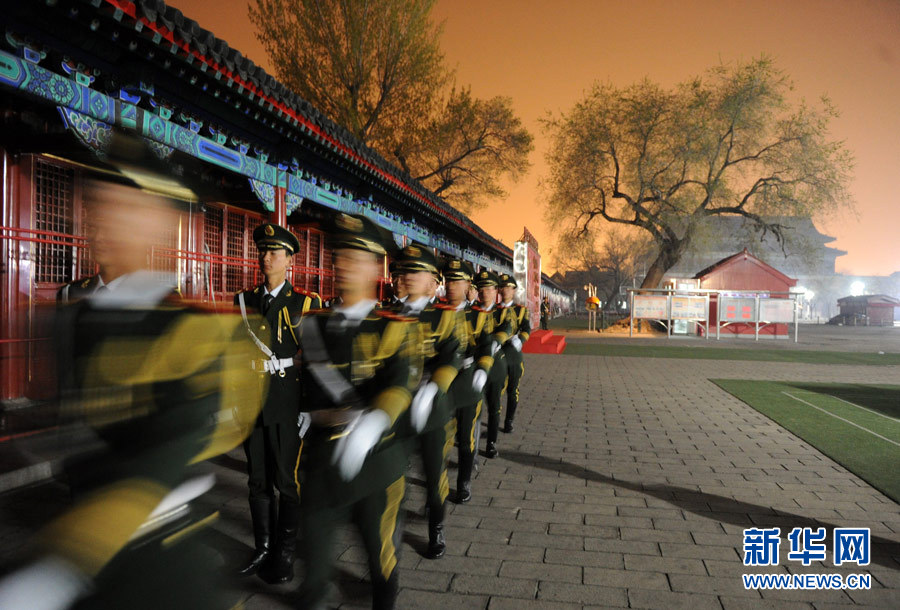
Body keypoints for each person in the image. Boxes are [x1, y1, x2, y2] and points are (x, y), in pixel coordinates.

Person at [0, 178, 264, 610]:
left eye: (122, 213)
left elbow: (172, 448)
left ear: (156, 225)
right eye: (96, 216)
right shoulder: (70, 311)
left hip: (157, 544)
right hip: (82, 528)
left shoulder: (189, 326)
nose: (102, 230)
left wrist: (62, 563)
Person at [296, 213, 417, 609]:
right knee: (311, 565)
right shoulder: (313, 325)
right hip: (319, 462)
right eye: (339, 257)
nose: (344, 265)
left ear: (375, 265)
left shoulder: (394, 327)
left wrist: (371, 425)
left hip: (376, 463)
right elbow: (306, 389)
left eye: (355, 257)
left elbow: (400, 386)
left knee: (381, 556)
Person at [234, 223, 321, 583]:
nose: (265, 257)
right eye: (262, 251)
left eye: (274, 252)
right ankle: (263, 547)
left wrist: (308, 407)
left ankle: (284, 554)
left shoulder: (304, 303)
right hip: (253, 400)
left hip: (287, 400)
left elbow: (315, 359)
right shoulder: (244, 301)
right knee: (257, 479)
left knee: (286, 480)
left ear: (290, 260)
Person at [393, 244, 462, 559]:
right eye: (405, 271)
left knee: (435, 475)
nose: (408, 277)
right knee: (392, 478)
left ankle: (436, 527)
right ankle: (388, 534)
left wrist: (432, 389)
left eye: (416, 272)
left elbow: (452, 357)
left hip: (432, 409)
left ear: (434, 282)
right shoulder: (387, 314)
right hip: (393, 410)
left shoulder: (445, 318)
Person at [442, 258, 493, 503]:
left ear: (467, 285)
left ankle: (463, 482)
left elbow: (486, 346)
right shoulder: (434, 314)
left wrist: (482, 369)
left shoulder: (479, 316)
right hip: (440, 385)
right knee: (440, 440)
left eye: (457, 281)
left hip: (467, 381)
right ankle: (438, 487)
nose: (452, 286)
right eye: (449, 280)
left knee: (466, 438)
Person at [473, 270, 511, 458]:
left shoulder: (502, 312)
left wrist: (495, 341)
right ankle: (471, 445)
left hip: (495, 366)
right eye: (481, 289)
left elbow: (507, 328)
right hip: (475, 365)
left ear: (495, 291)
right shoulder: (471, 311)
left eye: (488, 289)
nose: (484, 293)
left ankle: (491, 443)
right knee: (474, 407)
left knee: (494, 406)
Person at [497, 274, 531, 433]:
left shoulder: (521, 310)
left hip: (513, 354)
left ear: (514, 290)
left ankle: (509, 420)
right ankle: (494, 418)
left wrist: (520, 340)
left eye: (509, 288)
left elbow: (526, 328)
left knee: (513, 390)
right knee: (496, 390)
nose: (505, 291)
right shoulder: (493, 310)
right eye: (502, 287)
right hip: (497, 354)